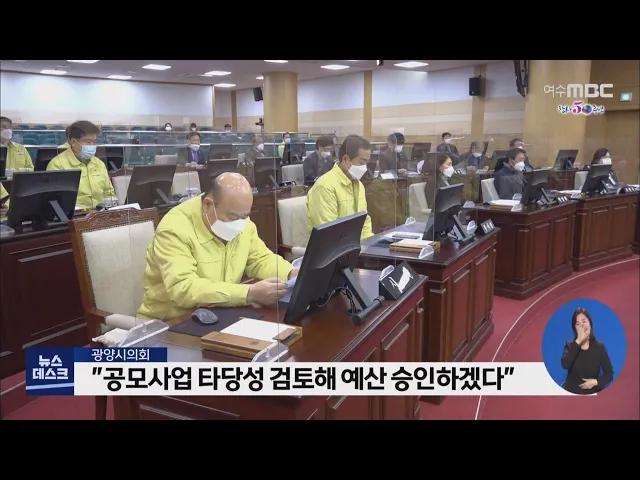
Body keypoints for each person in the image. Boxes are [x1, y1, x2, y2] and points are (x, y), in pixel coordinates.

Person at [137, 172, 298, 320]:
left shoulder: (239, 217)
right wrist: (248, 294)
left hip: (218, 312)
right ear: (208, 205)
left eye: (245, 216)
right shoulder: (174, 229)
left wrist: (290, 273)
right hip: (170, 323)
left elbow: (259, 259)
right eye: (233, 217)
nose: (239, 224)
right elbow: (184, 289)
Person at [307, 134, 373, 241]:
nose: (365, 168)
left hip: (356, 246)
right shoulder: (325, 187)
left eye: (366, 163)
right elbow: (328, 234)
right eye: (361, 162)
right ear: (346, 159)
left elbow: (365, 222)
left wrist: (369, 245)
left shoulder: (358, 185)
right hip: (332, 248)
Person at [46, 120, 116, 210]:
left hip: (100, 214)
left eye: (94, 142)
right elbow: (55, 201)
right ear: (73, 142)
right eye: (88, 142)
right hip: (74, 215)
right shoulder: (57, 165)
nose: (92, 146)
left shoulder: (99, 163)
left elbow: (109, 193)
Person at [561, 307, 614, 395]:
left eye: (584, 321)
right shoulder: (570, 345)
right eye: (578, 324)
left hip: (592, 393)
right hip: (571, 394)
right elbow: (565, 364)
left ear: (590, 324)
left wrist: (595, 382)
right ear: (575, 328)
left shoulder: (599, 347)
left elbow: (609, 374)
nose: (581, 325)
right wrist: (578, 341)